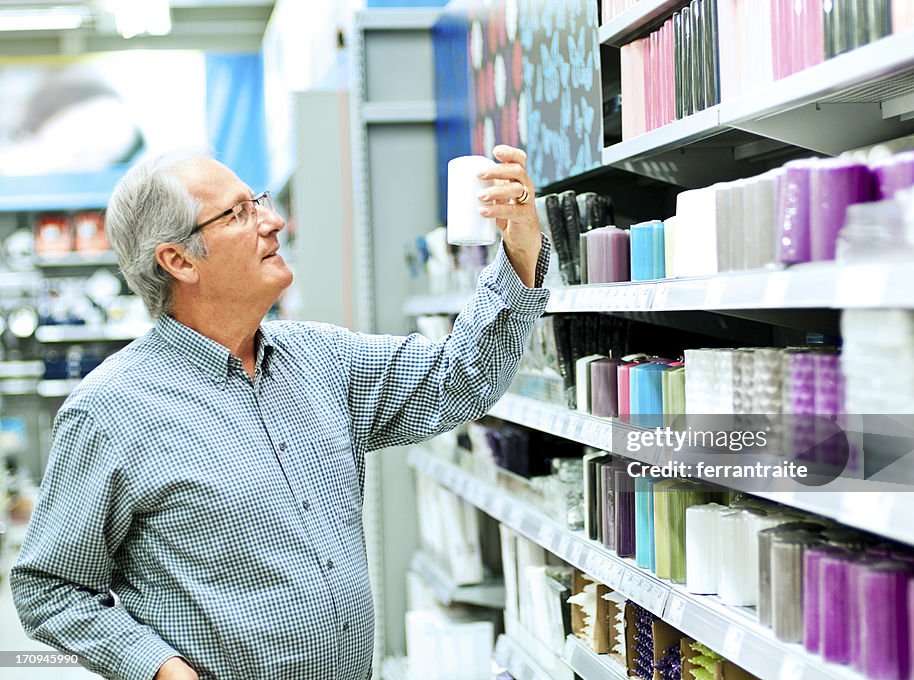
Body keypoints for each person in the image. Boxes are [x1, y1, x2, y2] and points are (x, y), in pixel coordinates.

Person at [11, 145, 549, 680]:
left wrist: (521, 247)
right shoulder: (111, 410)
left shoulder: (322, 359)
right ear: (178, 260)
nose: (274, 221)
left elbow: (458, 377)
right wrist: (157, 667)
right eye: (240, 212)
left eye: (259, 201)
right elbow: (49, 587)